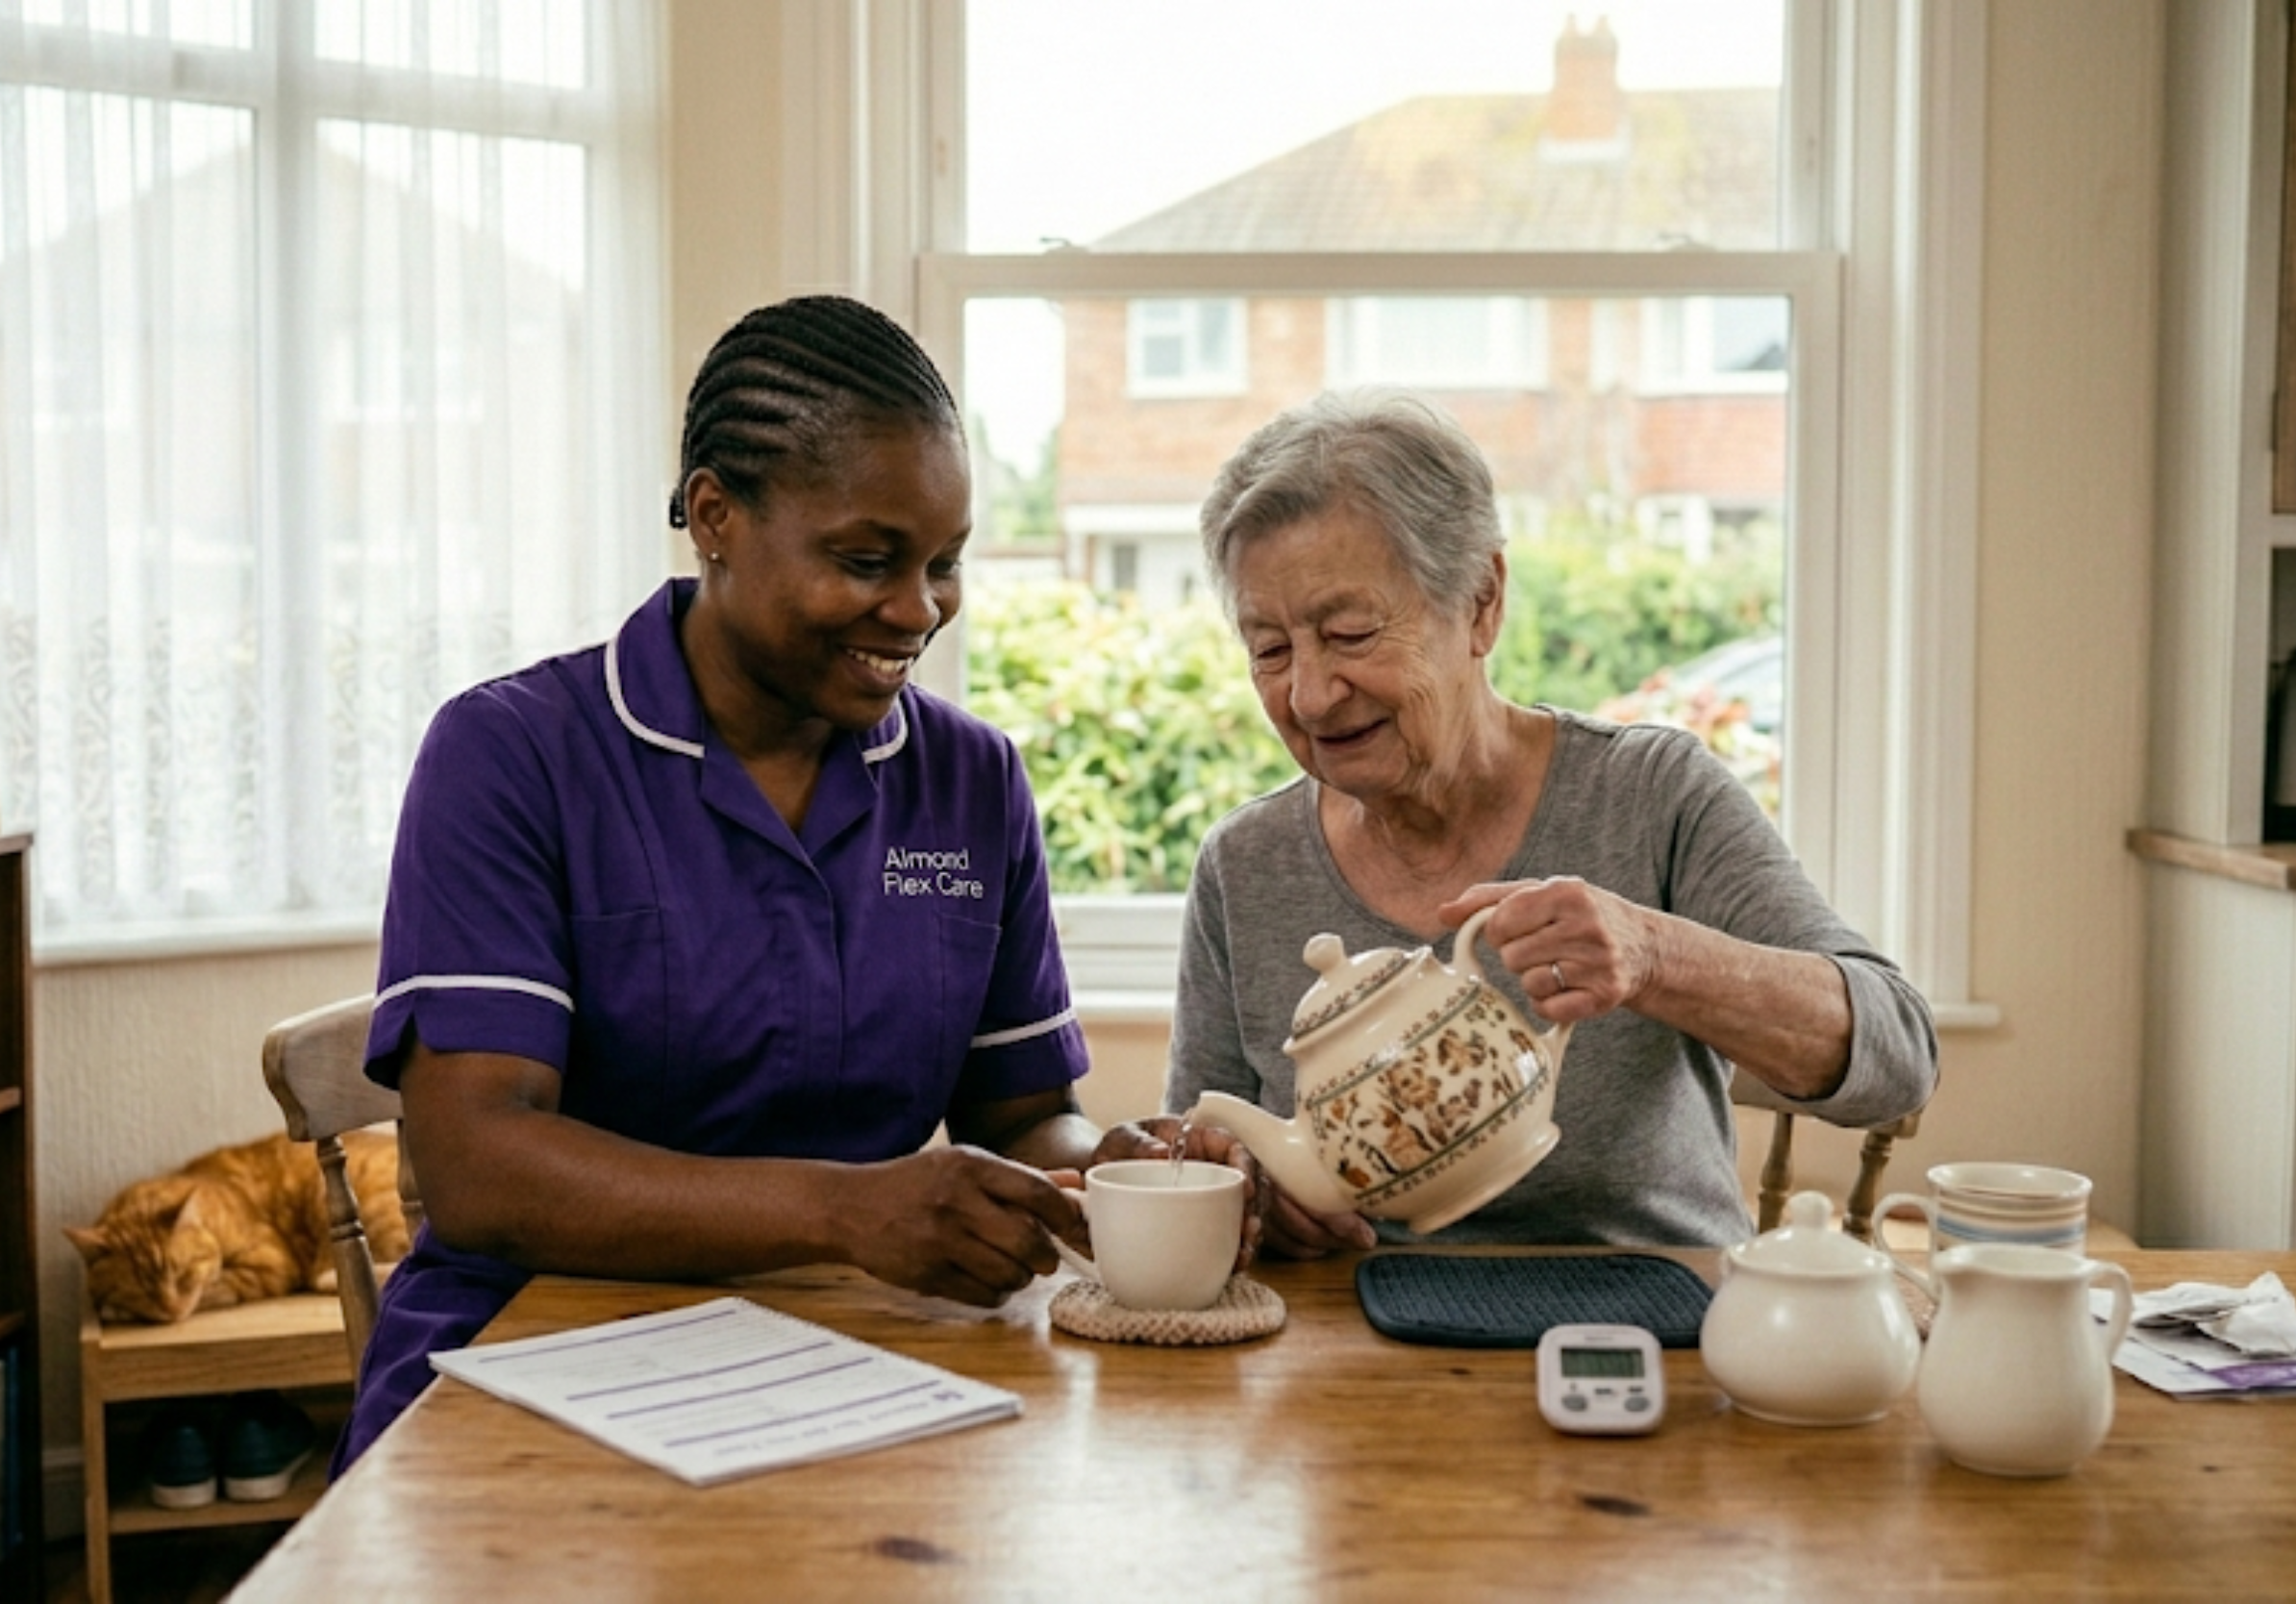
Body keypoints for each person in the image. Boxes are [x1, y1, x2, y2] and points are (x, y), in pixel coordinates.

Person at [341, 295, 1258, 1469]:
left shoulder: (971, 781)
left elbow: (1022, 1116)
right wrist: (846, 1210)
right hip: (525, 1361)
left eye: (946, 563)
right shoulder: (513, 755)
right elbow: (476, 1168)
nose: (919, 609)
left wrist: (1122, 1171)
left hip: (852, 1370)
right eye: (868, 560)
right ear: (716, 517)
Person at [1164, 389, 1936, 1258]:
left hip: (1655, 1331)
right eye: (1269, 650)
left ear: (1482, 602)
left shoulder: (1650, 797)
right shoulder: (1246, 863)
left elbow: (1897, 1055)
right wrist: (1255, 1196)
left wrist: (1653, 956)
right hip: (1361, 1344)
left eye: (1348, 633)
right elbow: (1200, 1152)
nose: (1307, 694)